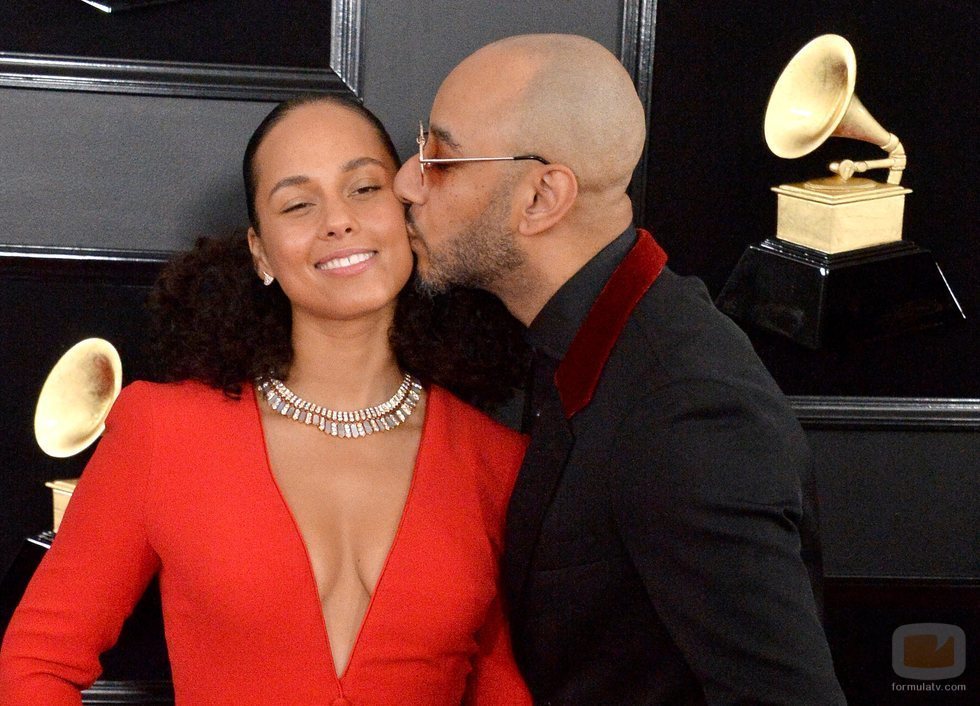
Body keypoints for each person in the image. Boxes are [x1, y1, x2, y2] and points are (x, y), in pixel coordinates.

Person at [0, 94, 533, 704]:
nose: (339, 220)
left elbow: (500, 686)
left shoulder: (494, 460)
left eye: (364, 189)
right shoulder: (164, 432)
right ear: (260, 253)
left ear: (407, 210)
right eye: (299, 203)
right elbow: (37, 659)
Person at [393, 33, 847, 704]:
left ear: (542, 199)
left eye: (441, 158)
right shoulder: (589, 340)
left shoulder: (689, 411)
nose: (406, 179)